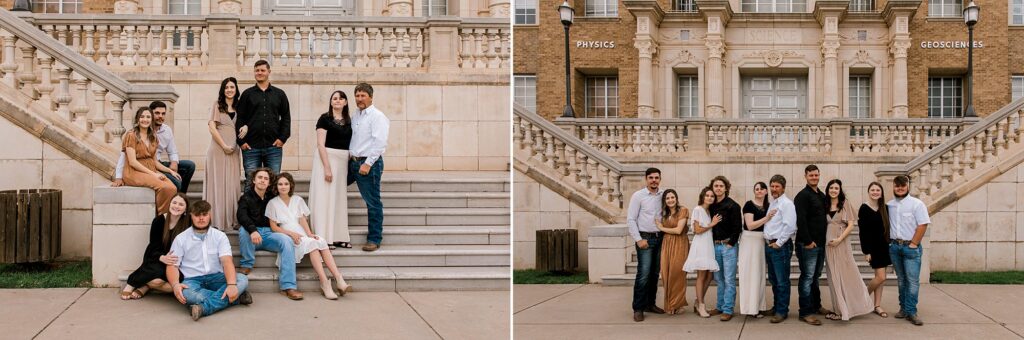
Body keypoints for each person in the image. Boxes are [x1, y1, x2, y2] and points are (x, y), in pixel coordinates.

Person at [266, 173, 353, 300]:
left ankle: (339, 279)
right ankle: (324, 282)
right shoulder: (272, 203)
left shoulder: (297, 200)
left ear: (291, 185)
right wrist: (291, 234)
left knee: (319, 240)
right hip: (288, 236)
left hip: (301, 233)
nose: (283, 186)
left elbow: (302, 220)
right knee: (313, 245)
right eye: (280, 184)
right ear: (276, 186)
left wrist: (310, 234)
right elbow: (274, 227)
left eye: (286, 184)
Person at [167, 200, 252, 321]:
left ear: (209, 215)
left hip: (216, 277)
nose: (201, 218)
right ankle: (237, 298)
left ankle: (204, 308)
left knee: (242, 279)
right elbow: (172, 265)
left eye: (204, 214)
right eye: (197, 215)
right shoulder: (181, 239)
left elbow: (227, 262)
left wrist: (232, 285)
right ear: (191, 216)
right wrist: (175, 285)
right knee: (188, 294)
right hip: (192, 280)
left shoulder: (220, 236)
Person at [236, 167, 303, 300]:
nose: (262, 180)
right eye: (260, 177)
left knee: (286, 241)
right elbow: (241, 216)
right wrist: (253, 230)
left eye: (266, 178)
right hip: (252, 235)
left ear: (269, 182)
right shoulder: (246, 197)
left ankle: (288, 286)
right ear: (254, 180)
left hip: (269, 234)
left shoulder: (273, 197)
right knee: (243, 230)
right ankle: (247, 263)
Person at [113, 101, 195, 193]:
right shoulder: (135, 134)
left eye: (163, 114)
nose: (160, 116)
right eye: (157, 113)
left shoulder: (166, 130)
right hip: (149, 166)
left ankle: (181, 199)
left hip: (158, 163)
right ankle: (176, 198)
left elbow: (172, 151)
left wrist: (174, 162)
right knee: (176, 183)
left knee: (189, 165)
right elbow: (124, 156)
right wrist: (118, 177)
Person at [121, 193, 190, 300]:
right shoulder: (159, 221)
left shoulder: (188, 222)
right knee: (157, 275)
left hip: (176, 260)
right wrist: (162, 257)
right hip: (157, 256)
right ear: (170, 204)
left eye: (181, 204)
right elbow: (153, 245)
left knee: (159, 280)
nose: (176, 206)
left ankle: (146, 286)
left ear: (186, 209)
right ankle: (131, 283)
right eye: (174, 202)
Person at [822, 179, 873, 321]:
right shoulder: (825, 205)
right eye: (831, 188)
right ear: (828, 190)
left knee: (846, 275)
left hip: (841, 244)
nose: (833, 190)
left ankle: (851, 307)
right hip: (828, 245)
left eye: (836, 188)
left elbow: (851, 225)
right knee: (833, 277)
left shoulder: (844, 204)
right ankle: (838, 309)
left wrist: (839, 239)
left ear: (840, 190)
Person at [348, 82, 390, 252]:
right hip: (352, 162)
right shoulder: (356, 115)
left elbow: (380, 143)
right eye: (357, 96)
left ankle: (374, 238)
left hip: (368, 164)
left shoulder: (377, 116)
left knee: (372, 202)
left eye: (363, 95)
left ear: (370, 97)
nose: (359, 99)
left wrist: (367, 163)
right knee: (331, 186)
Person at [310, 90, 353, 249]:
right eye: (334, 98)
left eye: (341, 98)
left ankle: (339, 236)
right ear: (331, 102)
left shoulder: (350, 121)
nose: (337, 101)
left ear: (345, 102)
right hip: (325, 159)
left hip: (342, 162)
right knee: (324, 198)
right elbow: (320, 144)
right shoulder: (324, 119)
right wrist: (327, 168)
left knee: (338, 199)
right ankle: (324, 237)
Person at [236, 59, 290, 186]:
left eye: (262, 70)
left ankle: (270, 207)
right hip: (251, 147)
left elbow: (286, 118)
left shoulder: (280, 94)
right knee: (251, 182)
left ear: (269, 72)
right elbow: (240, 118)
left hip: (273, 147)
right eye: (257, 70)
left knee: (273, 183)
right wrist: (242, 142)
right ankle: (251, 207)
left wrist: (282, 139)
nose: (259, 73)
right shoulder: (247, 94)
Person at [888, 175, 930, 326]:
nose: (900, 188)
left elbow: (923, 224)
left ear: (907, 187)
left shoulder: (916, 204)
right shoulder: (889, 205)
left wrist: (913, 243)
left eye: (902, 186)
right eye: (897, 186)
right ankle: (903, 309)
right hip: (895, 247)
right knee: (901, 280)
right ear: (893, 187)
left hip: (910, 248)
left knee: (912, 281)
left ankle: (912, 311)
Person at [120, 107, 178, 214]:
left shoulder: (153, 137)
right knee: (164, 187)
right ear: (137, 119)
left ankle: (165, 215)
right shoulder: (131, 135)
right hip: (134, 172)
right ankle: (161, 218)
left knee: (172, 188)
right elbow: (132, 162)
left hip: (150, 169)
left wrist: (170, 171)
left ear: (151, 120)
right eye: (142, 117)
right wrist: (154, 174)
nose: (145, 120)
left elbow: (155, 161)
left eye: (148, 117)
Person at [203, 77, 242, 231]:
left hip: (233, 151)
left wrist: (245, 127)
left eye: (232, 87)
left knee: (232, 185)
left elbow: (245, 123)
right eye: (226, 87)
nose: (229, 90)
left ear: (236, 89)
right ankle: (216, 220)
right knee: (217, 185)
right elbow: (212, 127)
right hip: (218, 150)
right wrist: (224, 145)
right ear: (223, 90)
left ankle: (232, 219)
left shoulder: (240, 107)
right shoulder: (217, 105)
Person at [793, 164, 830, 326]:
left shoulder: (821, 195)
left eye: (816, 175)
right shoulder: (802, 196)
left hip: (821, 244)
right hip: (808, 244)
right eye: (811, 175)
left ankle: (816, 305)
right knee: (807, 277)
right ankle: (805, 312)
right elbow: (800, 220)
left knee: (815, 277)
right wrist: (808, 241)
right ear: (806, 176)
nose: (814, 177)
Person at [627, 168, 665, 322]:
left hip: (660, 238)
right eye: (651, 178)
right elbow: (631, 219)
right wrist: (638, 239)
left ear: (660, 179)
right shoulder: (638, 196)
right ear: (646, 179)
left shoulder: (663, 195)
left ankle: (650, 304)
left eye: (656, 177)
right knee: (643, 275)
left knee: (655, 274)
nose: (654, 180)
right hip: (645, 239)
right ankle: (638, 308)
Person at [707, 176, 742, 321]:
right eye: (716, 186)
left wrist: (730, 244)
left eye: (721, 186)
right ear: (712, 187)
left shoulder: (733, 205)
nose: (718, 188)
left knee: (729, 279)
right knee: (719, 279)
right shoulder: (711, 205)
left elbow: (737, 228)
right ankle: (720, 306)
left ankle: (728, 309)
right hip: (715, 246)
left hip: (728, 247)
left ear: (726, 188)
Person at [739, 182, 776, 318]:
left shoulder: (769, 206)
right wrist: (767, 218)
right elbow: (750, 225)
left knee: (759, 275)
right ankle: (749, 308)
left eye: (762, 189)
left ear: (766, 191)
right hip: (749, 240)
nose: (759, 191)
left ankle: (758, 307)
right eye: (756, 189)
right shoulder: (749, 204)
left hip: (761, 241)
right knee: (749, 274)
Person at [683, 186, 721, 318]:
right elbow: (697, 230)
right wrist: (712, 224)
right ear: (703, 197)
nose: (710, 198)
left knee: (709, 276)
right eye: (707, 195)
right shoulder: (698, 209)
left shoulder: (709, 211)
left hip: (708, 244)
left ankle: (698, 302)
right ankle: (701, 305)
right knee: (701, 275)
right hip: (700, 245)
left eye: (712, 196)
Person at [764, 174, 796, 324]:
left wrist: (779, 243)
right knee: (774, 279)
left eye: (777, 186)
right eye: (772, 186)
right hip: (770, 245)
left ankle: (782, 311)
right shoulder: (773, 202)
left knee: (782, 280)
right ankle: (776, 306)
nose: (774, 189)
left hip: (780, 246)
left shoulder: (786, 204)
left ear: (783, 188)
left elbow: (790, 226)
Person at [859, 181, 893, 318]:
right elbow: (863, 232)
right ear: (868, 192)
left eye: (877, 190)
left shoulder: (885, 208)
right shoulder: (864, 208)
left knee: (881, 279)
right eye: (872, 190)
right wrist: (866, 251)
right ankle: (862, 297)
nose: (875, 192)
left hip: (884, 246)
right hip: (872, 248)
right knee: (881, 277)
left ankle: (877, 305)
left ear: (881, 193)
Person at [656, 189, 689, 315]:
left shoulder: (683, 211)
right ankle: (669, 304)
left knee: (677, 274)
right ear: (665, 201)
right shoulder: (664, 214)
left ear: (676, 198)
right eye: (667, 198)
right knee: (666, 274)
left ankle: (677, 304)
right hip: (666, 244)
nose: (670, 200)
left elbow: (679, 230)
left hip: (680, 243)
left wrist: (661, 228)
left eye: (672, 197)